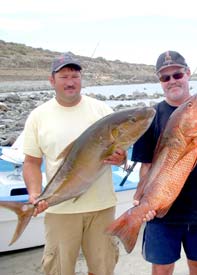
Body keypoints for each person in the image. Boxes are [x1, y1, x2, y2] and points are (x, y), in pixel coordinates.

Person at [22, 52, 126, 275]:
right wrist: (35, 193)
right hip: (59, 209)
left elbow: (120, 155)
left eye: (75, 76)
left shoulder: (102, 111)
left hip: (102, 208)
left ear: (81, 79)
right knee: (59, 269)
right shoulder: (38, 116)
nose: (70, 82)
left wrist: (121, 158)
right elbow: (31, 161)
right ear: (52, 81)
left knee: (103, 268)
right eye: (64, 76)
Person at [131, 50, 197, 275]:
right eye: (165, 78)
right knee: (162, 268)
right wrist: (142, 200)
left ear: (187, 74)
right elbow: (146, 166)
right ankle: (129, 223)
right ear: (160, 81)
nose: (172, 81)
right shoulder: (151, 116)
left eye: (177, 74)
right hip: (162, 210)